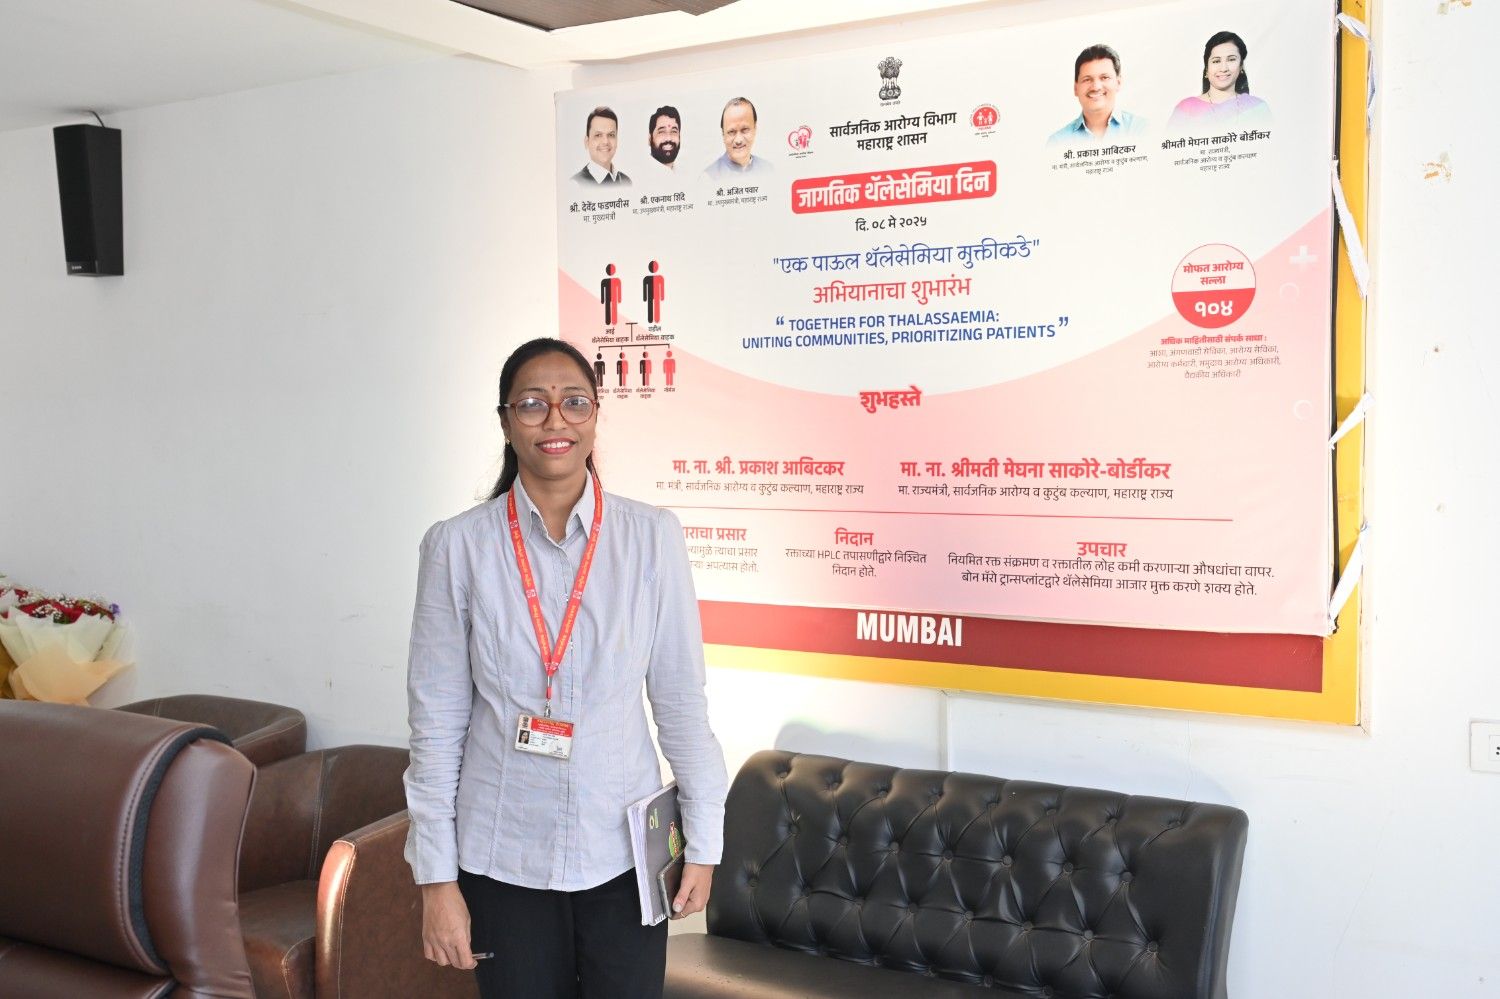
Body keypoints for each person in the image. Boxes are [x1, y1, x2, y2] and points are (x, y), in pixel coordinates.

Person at [404, 337, 727, 999]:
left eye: (574, 401)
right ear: (505, 422)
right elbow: (435, 725)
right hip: (503, 855)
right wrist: (436, 879)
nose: (556, 419)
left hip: (624, 855)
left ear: (595, 415)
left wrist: (705, 841)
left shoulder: (650, 537)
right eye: (532, 403)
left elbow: (680, 702)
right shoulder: (456, 547)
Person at [1167, 31, 1270, 130]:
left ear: (1241, 66)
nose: (1223, 68)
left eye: (1231, 59)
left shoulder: (1258, 108)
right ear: (1207, 69)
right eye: (1216, 61)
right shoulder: (1185, 109)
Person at [1047, 44, 1147, 146]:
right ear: (1076, 88)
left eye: (1104, 77)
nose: (1096, 87)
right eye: (1087, 79)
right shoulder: (1057, 142)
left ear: (1118, 83)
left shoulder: (1143, 130)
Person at [703, 97, 773, 179]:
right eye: (731, 132)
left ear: (755, 128)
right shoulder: (709, 178)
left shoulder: (769, 170)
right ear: (723, 134)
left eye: (745, 130)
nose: (738, 140)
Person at [573, 107, 631, 186]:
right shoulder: (576, 184)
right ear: (587, 142)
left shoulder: (626, 182)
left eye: (611, 135)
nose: (605, 141)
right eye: (598, 135)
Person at [647, 106, 681, 171]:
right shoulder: (641, 173)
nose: (668, 138)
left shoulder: (684, 173)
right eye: (662, 132)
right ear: (650, 139)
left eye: (674, 131)